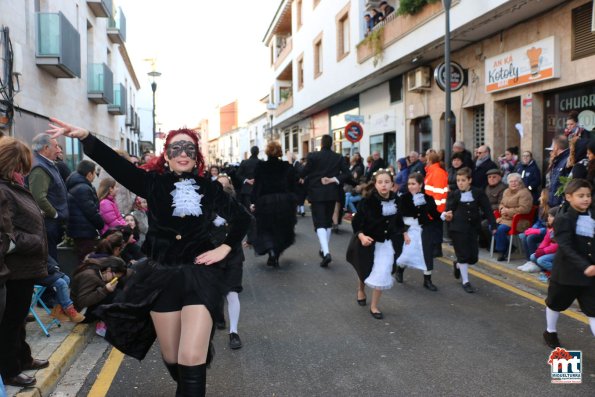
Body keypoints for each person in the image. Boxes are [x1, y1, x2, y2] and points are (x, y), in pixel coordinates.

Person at [48, 118, 251, 397]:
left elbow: (242, 219)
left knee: (191, 356)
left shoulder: (210, 188)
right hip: (160, 278)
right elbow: (118, 166)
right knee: (173, 357)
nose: (183, 154)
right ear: (166, 155)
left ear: (196, 157)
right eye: (176, 148)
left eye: (189, 149)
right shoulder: (152, 183)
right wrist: (86, 138)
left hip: (199, 278)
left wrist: (225, 247)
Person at [0, 137, 50, 388]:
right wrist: (34, 241)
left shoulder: (12, 185)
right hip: (16, 268)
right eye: (22, 164)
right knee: (12, 320)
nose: (24, 170)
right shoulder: (3, 189)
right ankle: (10, 369)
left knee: (19, 318)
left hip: (25, 267)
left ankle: (23, 358)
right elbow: (7, 235)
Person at [543, 178, 595, 348]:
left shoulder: (593, 214)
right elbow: (565, 246)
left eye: (588, 195)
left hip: (590, 276)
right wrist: (585, 266)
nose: (586, 199)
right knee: (555, 303)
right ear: (569, 197)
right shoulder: (563, 219)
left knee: (593, 311)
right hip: (567, 273)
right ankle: (550, 331)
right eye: (581, 195)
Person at [347, 169, 404, 319]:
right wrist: (362, 236)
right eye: (380, 182)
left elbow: (398, 222)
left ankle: (374, 306)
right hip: (368, 242)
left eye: (387, 182)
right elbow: (356, 222)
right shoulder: (367, 201)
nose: (383, 185)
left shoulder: (397, 200)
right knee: (365, 270)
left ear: (392, 184)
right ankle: (361, 289)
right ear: (375, 184)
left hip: (386, 243)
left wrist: (404, 232)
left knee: (382, 272)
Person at [443, 167, 496, 293]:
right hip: (457, 228)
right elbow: (448, 210)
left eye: (463, 180)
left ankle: (457, 264)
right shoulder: (454, 194)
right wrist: (448, 216)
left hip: (473, 228)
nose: (460, 183)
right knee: (463, 255)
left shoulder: (478, 193)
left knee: (473, 258)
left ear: (469, 180)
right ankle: (465, 281)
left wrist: (493, 225)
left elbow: (487, 209)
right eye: (458, 180)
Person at [301, 135, 350, 267]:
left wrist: (299, 174)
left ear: (321, 144)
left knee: (319, 224)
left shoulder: (313, 156)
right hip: (332, 193)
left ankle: (326, 252)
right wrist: (335, 179)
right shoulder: (338, 157)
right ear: (332, 144)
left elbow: (304, 171)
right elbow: (347, 174)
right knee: (327, 222)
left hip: (316, 193)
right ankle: (323, 250)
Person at [250, 141, 297, 268]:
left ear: (267, 152)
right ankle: (276, 253)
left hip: (266, 202)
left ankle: (270, 250)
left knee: (265, 229)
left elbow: (257, 186)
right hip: (284, 202)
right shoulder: (287, 166)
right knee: (282, 229)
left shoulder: (261, 166)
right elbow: (293, 185)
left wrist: (253, 201)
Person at [214, 174, 245, 350]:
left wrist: (251, 239)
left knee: (232, 293)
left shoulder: (238, 208)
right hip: (213, 256)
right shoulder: (206, 209)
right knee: (217, 292)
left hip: (234, 255)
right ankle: (219, 315)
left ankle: (234, 332)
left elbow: (249, 221)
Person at [396, 173, 441, 291]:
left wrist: (445, 216)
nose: (410, 186)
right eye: (409, 184)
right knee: (407, 253)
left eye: (413, 184)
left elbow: (435, 214)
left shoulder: (427, 198)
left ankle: (427, 280)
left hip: (424, 229)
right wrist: (402, 231)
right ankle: (399, 270)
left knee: (426, 253)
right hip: (408, 229)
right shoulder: (403, 198)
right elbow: (398, 216)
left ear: (420, 184)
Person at [28, 133, 69, 261]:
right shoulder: (40, 167)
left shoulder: (48, 164)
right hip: (49, 223)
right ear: (46, 148)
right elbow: (38, 198)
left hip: (53, 223)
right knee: (50, 260)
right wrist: (55, 214)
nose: (59, 150)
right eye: (56, 146)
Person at [66, 160, 104, 263]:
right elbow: (90, 211)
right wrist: (101, 224)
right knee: (86, 261)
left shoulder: (78, 185)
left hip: (80, 230)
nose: (95, 176)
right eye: (94, 173)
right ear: (89, 174)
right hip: (84, 231)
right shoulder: (83, 188)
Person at [493, 173, 533, 261]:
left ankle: (502, 252)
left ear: (519, 182)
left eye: (515, 181)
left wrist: (508, 211)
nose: (513, 183)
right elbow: (501, 204)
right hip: (505, 218)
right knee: (491, 227)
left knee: (501, 229)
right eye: (511, 181)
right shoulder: (506, 191)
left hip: (519, 220)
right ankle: (509, 247)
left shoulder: (524, 192)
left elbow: (525, 209)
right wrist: (502, 209)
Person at [36, 255, 85, 322]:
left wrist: (54, 265)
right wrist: (51, 267)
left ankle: (57, 310)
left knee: (66, 279)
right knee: (61, 283)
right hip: (33, 272)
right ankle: (69, 309)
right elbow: (33, 261)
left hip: (42, 270)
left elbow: (46, 255)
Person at [518, 207, 558, 274]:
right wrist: (540, 249)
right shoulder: (550, 227)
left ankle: (558, 273)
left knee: (541, 260)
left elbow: (557, 245)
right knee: (533, 256)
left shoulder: (560, 229)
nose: (548, 218)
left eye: (551, 216)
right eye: (548, 216)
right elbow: (546, 240)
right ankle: (542, 268)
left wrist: (544, 251)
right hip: (549, 250)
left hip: (557, 252)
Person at [424, 151, 448, 257]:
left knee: (436, 229)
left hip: (436, 207)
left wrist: (436, 209)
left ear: (430, 160)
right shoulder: (433, 172)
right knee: (433, 229)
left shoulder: (437, 172)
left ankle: (437, 250)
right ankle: (434, 248)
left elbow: (438, 193)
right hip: (433, 206)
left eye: (427, 160)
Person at [546, 135, 571, 208]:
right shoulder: (558, 160)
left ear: (556, 146)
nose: (552, 149)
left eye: (553, 146)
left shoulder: (567, 160)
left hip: (560, 205)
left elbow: (567, 184)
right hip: (554, 203)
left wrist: (562, 203)